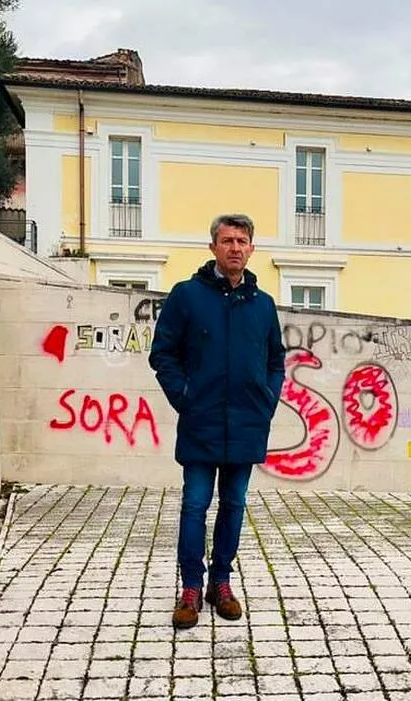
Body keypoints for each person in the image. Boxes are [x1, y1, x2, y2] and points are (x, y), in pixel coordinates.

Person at [149, 213, 286, 629]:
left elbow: (276, 360)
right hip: (201, 422)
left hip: (247, 423)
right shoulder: (187, 295)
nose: (235, 248)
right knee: (194, 505)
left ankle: (221, 583)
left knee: (235, 504)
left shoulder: (262, 305)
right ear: (213, 247)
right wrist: (185, 398)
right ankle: (191, 586)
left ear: (251, 248)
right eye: (227, 240)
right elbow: (163, 354)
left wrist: (266, 400)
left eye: (242, 240)